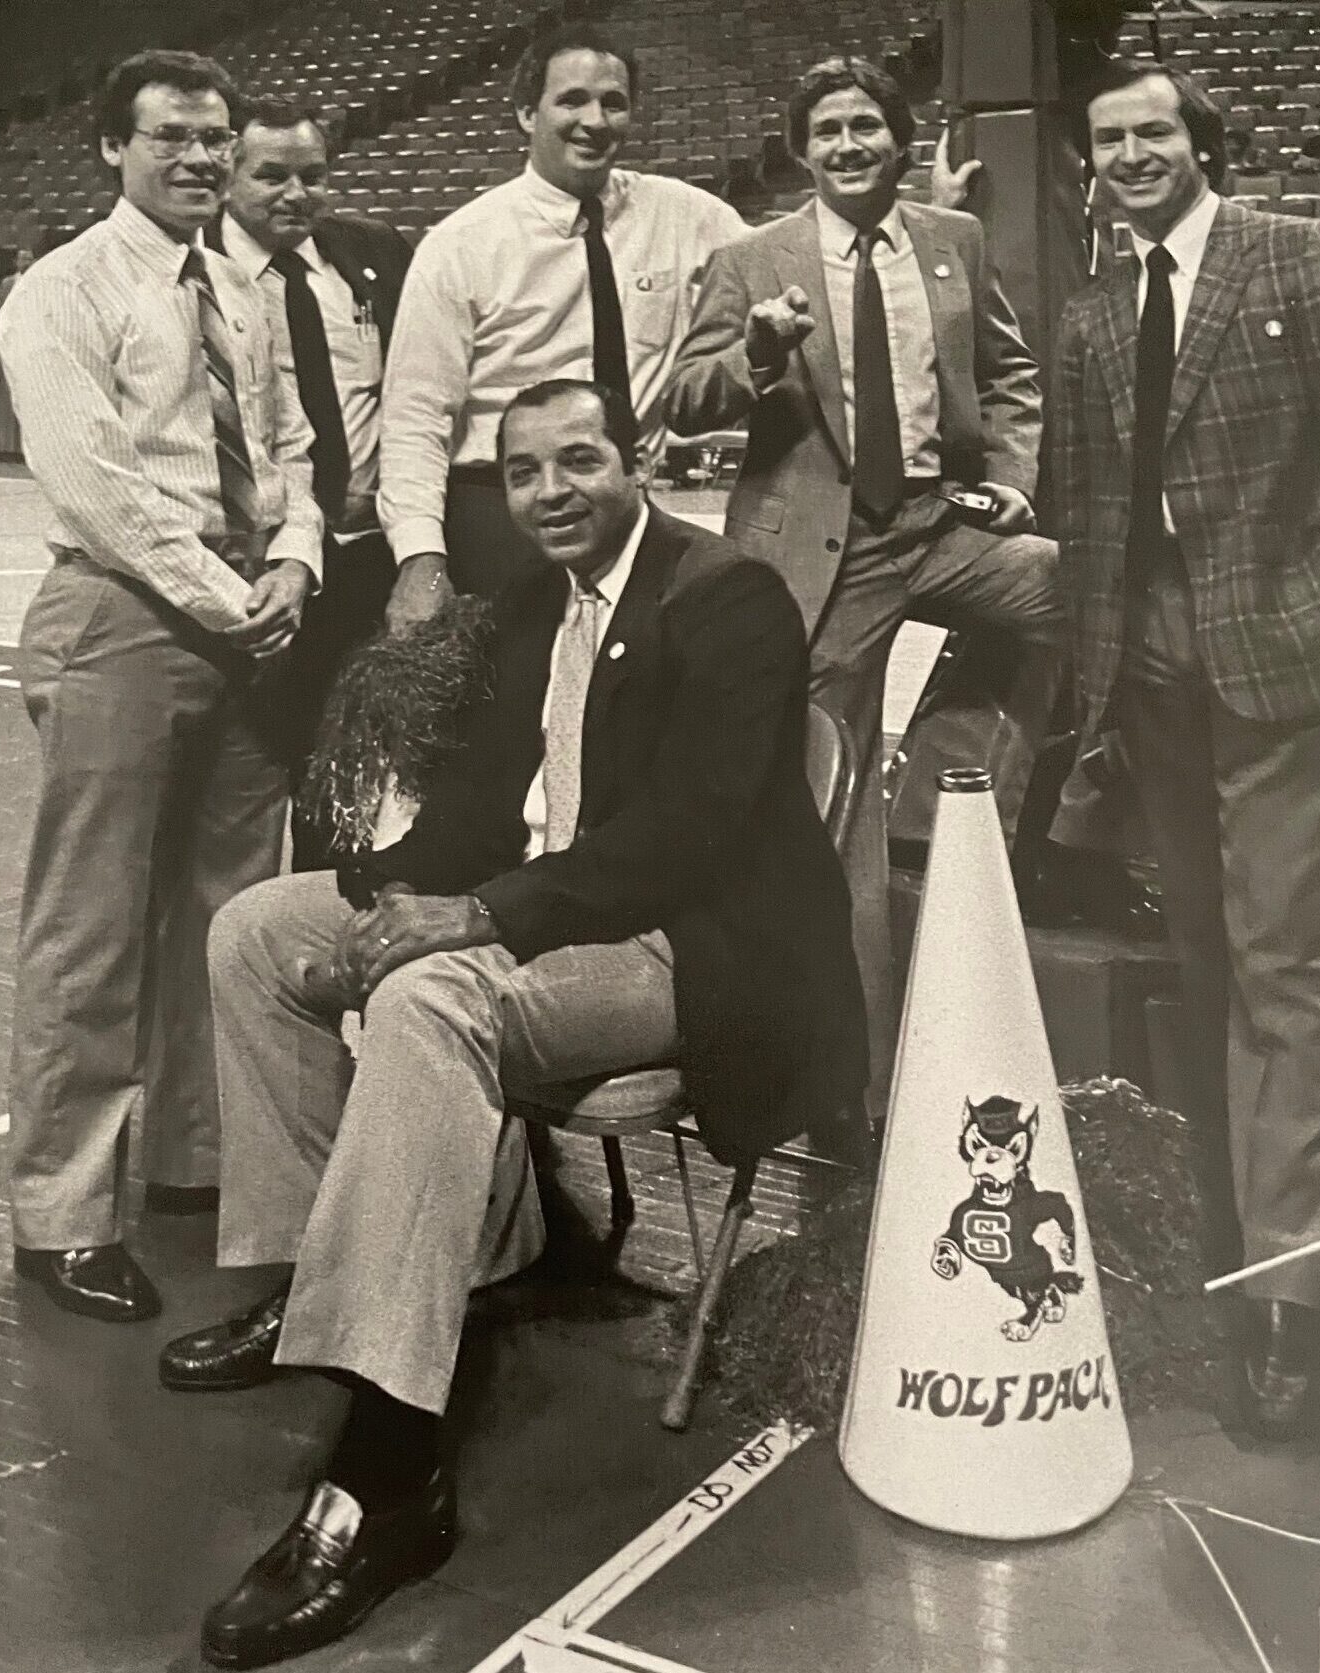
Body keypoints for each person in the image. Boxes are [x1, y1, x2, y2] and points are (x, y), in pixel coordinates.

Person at [157, 378, 865, 1669]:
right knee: (258, 933)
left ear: (636, 460)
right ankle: (324, 1277)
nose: (552, 493)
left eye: (579, 461)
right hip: (541, 912)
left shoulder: (730, 597)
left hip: (683, 947)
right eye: (526, 472)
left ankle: (386, 1473)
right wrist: (386, 893)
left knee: (429, 995)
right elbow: (485, 802)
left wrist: (472, 919)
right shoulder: (536, 603)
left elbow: (685, 839)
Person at [1051, 60, 1320, 1438]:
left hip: (1274, 672)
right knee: (1209, 958)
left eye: (1153, 131)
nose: (1132, 154)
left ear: (1204, 139)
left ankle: (1290, 1297)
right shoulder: (1092, 315)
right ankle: (1232, 1228)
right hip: (1149, 680)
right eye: (1109, 140)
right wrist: (1096, 672)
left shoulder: (1303, 258)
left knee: (1286, 968)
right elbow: (1082, 507)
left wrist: (1315, 621)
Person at [666, 56, 1066, 1124]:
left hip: (942, 526)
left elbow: (1014, 373)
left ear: (899, 139)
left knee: (1085, 602)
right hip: (819, 561)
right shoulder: (754, 258)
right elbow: (682, 403)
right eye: (828, 131)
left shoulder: (954, 241)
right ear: (802, 150)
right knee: (831, 806)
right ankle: (867, 1085)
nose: (848, 146)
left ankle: (964, 771)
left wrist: (1014, 485)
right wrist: (754, 356)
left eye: (866, 128)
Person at [0, 50, 323, 1323]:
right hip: (127, 618)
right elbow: (98, 482)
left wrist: (293, 557)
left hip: (248, 620)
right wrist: (230, 594)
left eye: (216, 138)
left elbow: (289, 443)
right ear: (112, 149)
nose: (201, 157)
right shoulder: (61, 288)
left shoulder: (242, 285)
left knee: (227, 915)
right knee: (93, 928)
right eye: (173, 137)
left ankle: (193, 1159)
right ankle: (62, 1213)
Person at [376, 20, 745, 629]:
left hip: (626, 500)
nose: (595, 121)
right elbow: (415, 419)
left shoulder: (691, 218)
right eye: (572, 99)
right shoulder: (460, 245)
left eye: (614, 102)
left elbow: (797, 261)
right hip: (507, 508)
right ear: (527, 112)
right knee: (522, 705)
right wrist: (419, 558)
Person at [207, 97, 413, 869]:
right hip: (258, 566)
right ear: (228, 175)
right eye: (272, 176)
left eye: (313, 175)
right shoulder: (201, 270)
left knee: (351, 779)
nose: (296, 194)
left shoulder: (374, 253)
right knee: (250, 779)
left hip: (365, 557)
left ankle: (319, 935)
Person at [0, 247, 33, 324]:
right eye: (24, 259)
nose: (27, 263)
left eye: (30, 260)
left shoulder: (39, 283)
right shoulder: (7, 283)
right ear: (16, 261)